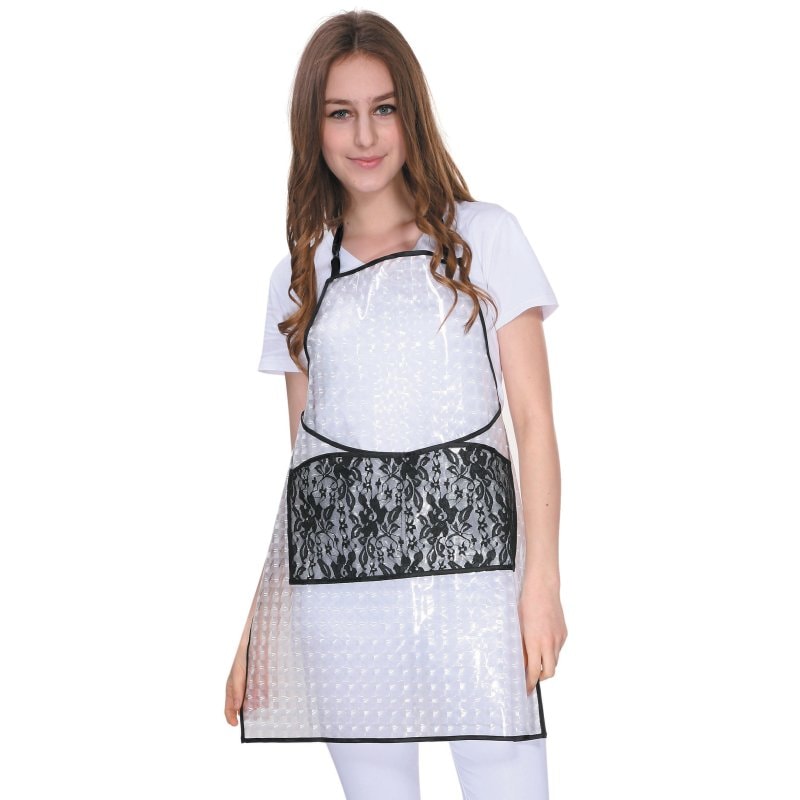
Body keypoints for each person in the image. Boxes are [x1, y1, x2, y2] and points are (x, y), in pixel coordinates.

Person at [224, 9, 567, 799]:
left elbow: (534, 421)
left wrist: (542, 583)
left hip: (477, 577)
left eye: (383, 108)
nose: (365, 135)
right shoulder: (298, 277)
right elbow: (308, 466)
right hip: (343, 594)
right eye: (339, 113)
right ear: (312, 127)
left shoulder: (483, 238)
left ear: (411, 112)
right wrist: (260, 625)